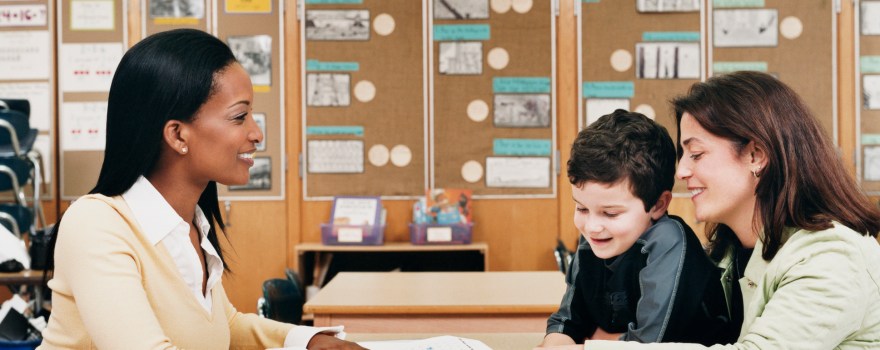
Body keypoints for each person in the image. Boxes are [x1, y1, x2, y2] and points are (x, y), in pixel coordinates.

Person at [38, 29, 365, 349]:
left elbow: (226, 327)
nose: (256, 133)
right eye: (240, 117)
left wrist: (309, 341)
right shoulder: (97, 224)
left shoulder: (191, 224)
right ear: (178, 135)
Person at [547, 72, 880, 350]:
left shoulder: (831, 258)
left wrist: (594, 345)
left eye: (696, 154)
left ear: (756, 156)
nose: (681, 172)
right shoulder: (729, 253)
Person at [540, 110, 736, 347]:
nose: (591, 227)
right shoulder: (594, 240)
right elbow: (567, 319)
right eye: (581, 209)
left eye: (611, 213)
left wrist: (592, 342)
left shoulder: (667, 241)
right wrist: (556, 343)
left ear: (658, 205)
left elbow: (648, 344)